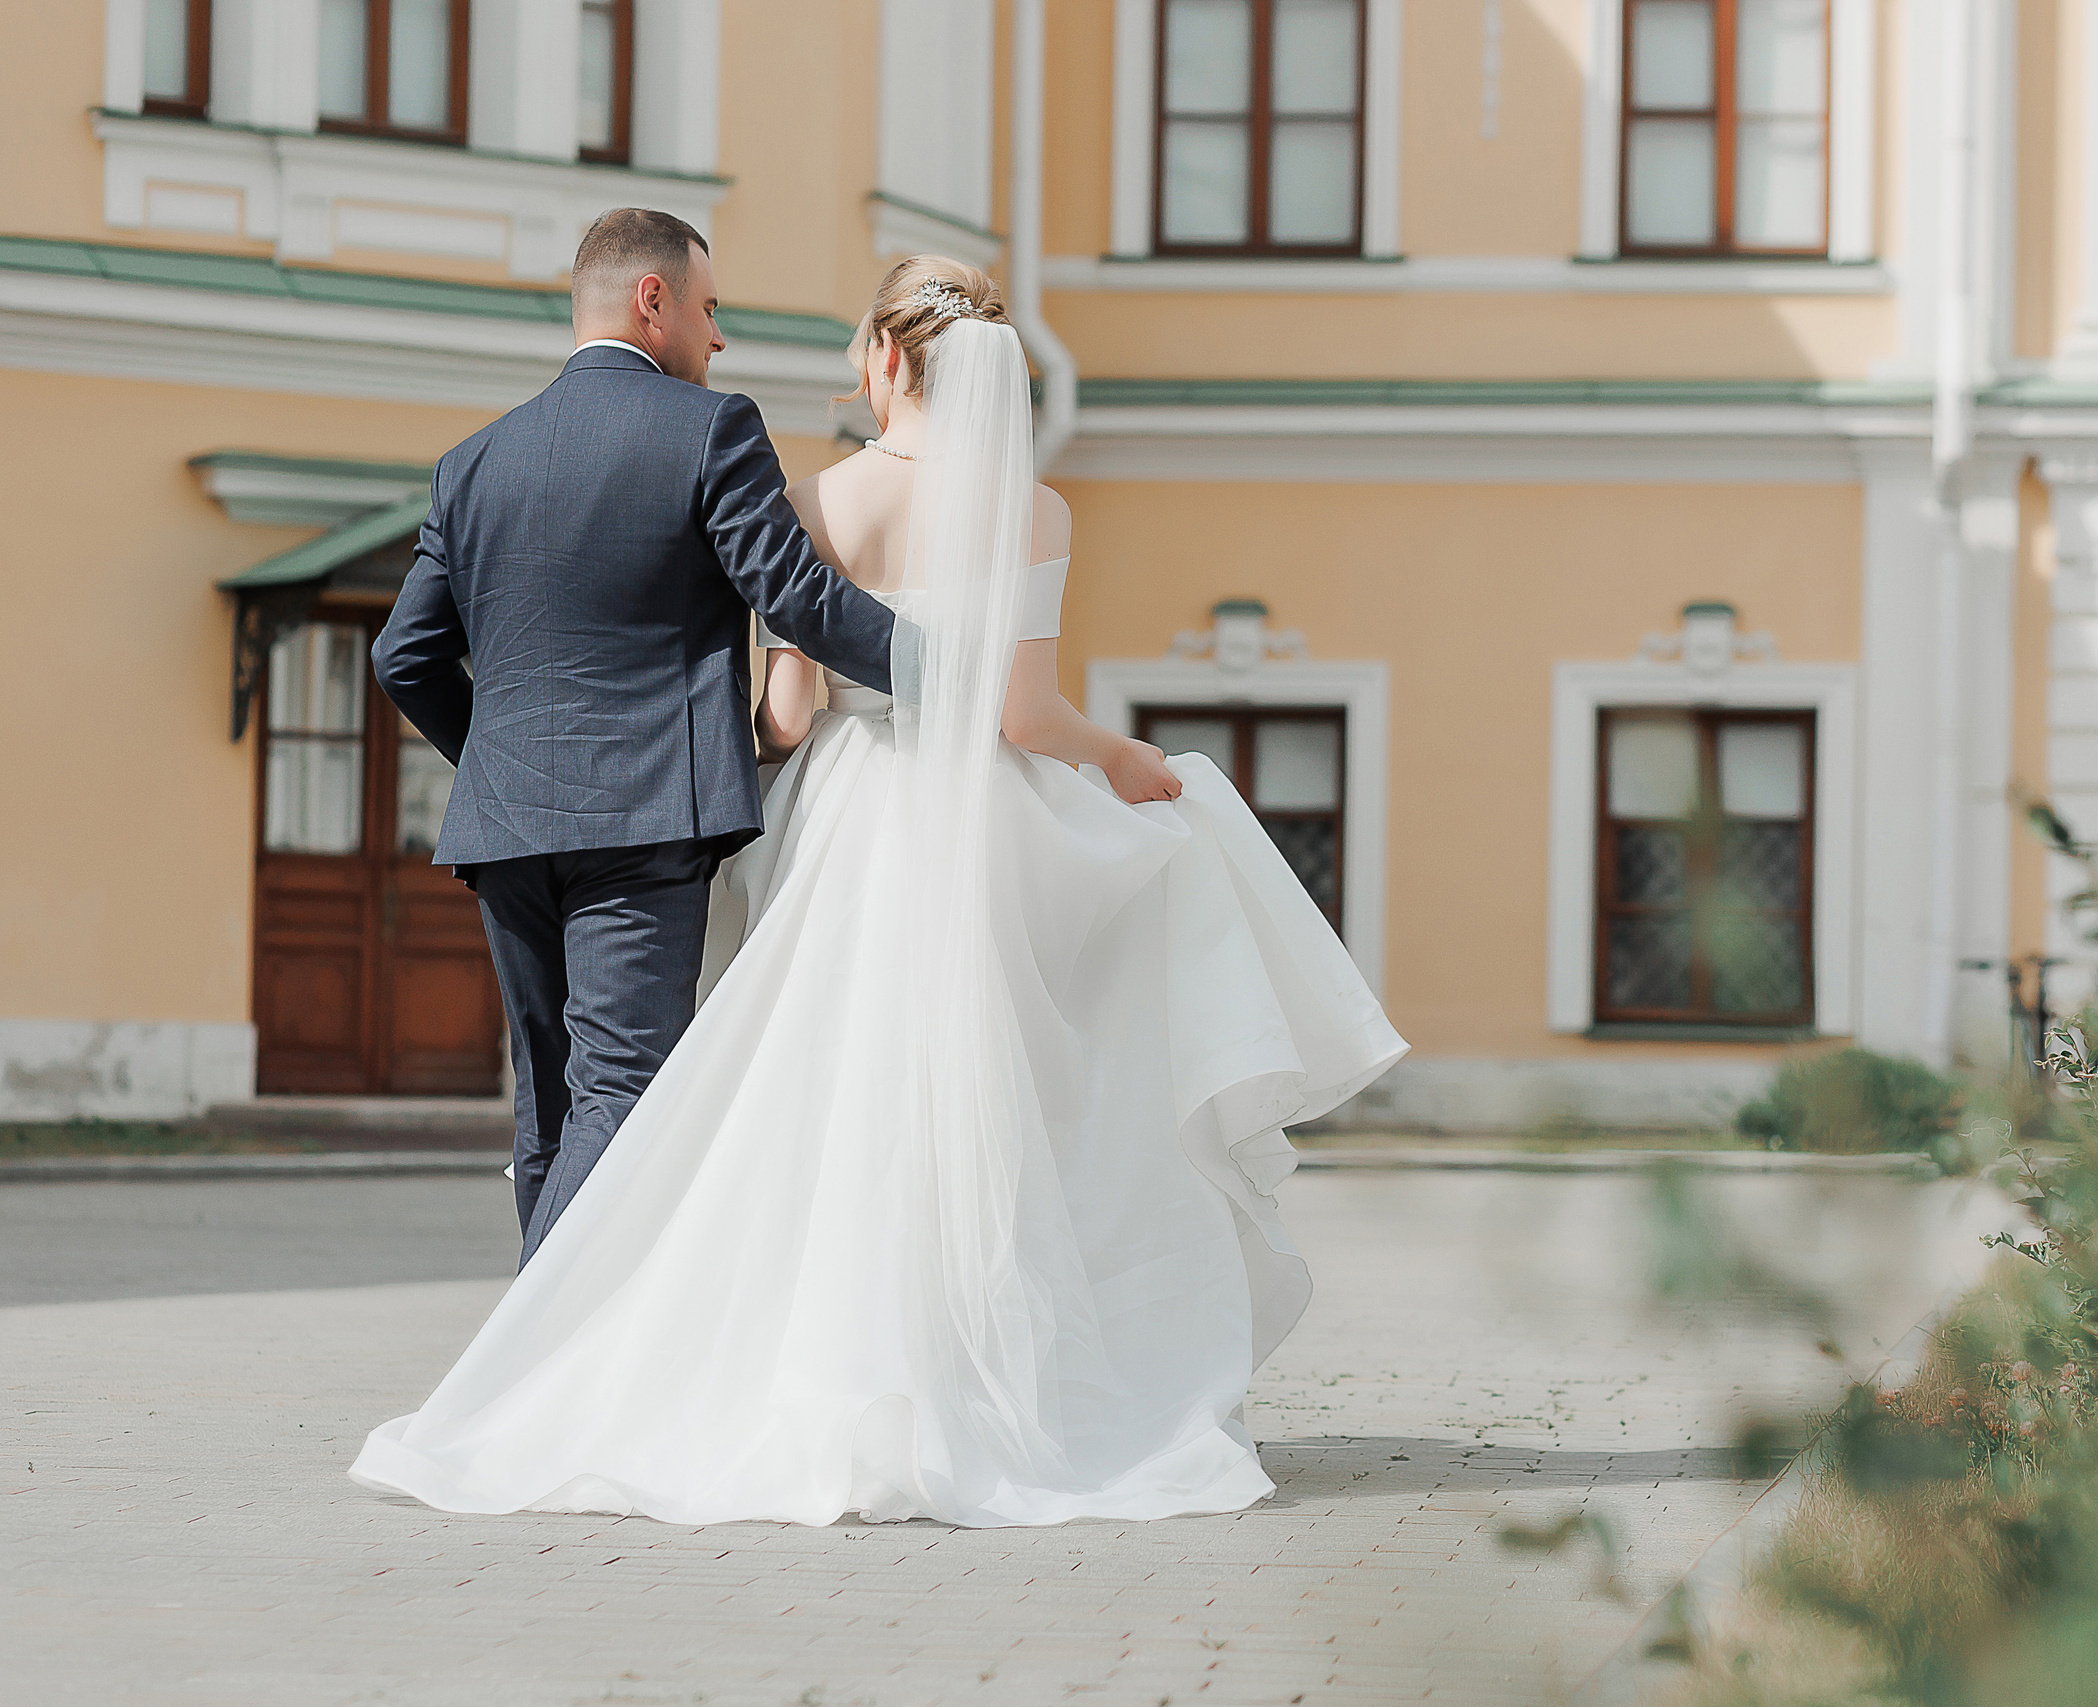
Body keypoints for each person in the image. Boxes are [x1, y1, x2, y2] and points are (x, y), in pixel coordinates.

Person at [349, 255, 1407, 1528]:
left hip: (812, 816)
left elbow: (788, 715)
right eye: (711, 304)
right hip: (975, 821)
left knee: (782, 1094)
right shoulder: (1034, 507)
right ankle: (966, 1374)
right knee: (992, 1102)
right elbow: (1021, 712)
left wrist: (622, 754)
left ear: (886, 362)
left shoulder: (809, 495)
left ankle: (608, 1355)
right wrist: (1116, 756)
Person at [372, 208, 902, 1264]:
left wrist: (501, 758)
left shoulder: (470, 463)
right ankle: (522, 1367)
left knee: (551, 1108)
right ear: (651, 302)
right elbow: (794, 597)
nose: (719, 340)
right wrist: (948, 664)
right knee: (623, 1092)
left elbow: (403, 656)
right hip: (645, 817)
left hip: (506, 826)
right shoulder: (709, 430)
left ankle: (553, 1389)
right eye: (709, 310)